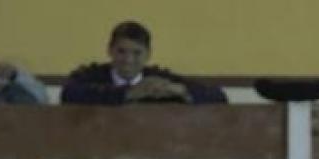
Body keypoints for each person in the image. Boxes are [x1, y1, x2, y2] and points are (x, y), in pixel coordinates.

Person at [61, 21, 227, 105]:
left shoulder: (158, 79)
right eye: (121, 51)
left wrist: (181, 91)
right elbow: (69, 94)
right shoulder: (91, 75)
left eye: (137, 53)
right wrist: (129, 93)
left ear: (148, 55)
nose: (128, 60)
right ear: (109, 51)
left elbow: (218, 97)